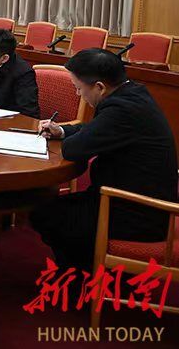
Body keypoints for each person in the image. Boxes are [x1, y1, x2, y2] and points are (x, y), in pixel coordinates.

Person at [30, 49, 178, 271]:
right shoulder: (131, 94)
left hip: (139, 213)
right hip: (130, 198)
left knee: (47, 215)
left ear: (99, 87)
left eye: (79, 88)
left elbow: (74, 149)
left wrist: (69, 138)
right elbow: (94, 128)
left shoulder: (122, 110)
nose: (78, 94)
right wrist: (62, 130)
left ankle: (81, 275)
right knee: (52, 209)